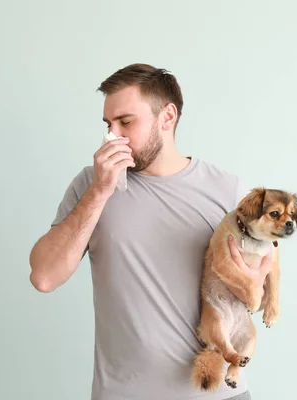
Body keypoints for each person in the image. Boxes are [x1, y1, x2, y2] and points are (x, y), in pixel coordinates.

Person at [28, 63, 275, 400]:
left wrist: (253, 285)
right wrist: (100, 192)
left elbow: (257, 296)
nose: (112, 135)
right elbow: (44, 276)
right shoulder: (90, 185)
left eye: (126, 122)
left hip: (219, 394)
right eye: (108, 124)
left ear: (167, 117)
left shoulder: (227, 191)